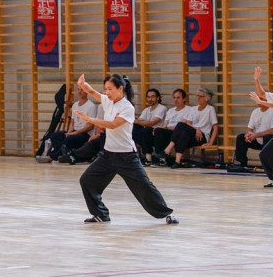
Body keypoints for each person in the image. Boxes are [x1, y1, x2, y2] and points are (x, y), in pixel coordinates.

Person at [75, 73, 178, 225]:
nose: (106, 92)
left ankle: (166, 214)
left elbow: (113, 124)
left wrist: (89, 119)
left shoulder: (127, 107)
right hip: (108, 155)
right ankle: (100, 214)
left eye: (110, 89)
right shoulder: (107, 101)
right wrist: (83, 85)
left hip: (126, 156)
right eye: (105, 89)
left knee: (144, 186)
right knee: (87, 181)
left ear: (120, 88)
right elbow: (91, 92)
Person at [163, 87, 219, 167]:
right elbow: (188, 123)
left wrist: (210, 142)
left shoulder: (210, 109)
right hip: (194, 133)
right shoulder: (193, 109)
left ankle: (168, 149)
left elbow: (215, 126)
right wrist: (196, 129)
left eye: (201, 96)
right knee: (184, 133)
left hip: (202, 136)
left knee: (181, 125)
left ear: (207, 98)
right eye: (198, 96)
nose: (198, 98)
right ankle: (177, 161)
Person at [48, 87, 99, 161]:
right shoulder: (75, 105)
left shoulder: (91, 106)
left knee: (70, 139)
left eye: (82, 90)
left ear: (87, 92)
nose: (80, 92)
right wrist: (69, 132)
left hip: (85, 134)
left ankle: (52, 157)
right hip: (74, 131)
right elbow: (72, 122)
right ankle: (64, 155)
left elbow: (90, 126)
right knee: (54, 136)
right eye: (78, 89)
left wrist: (75, 133)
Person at [152, 88, 194, 165]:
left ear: (184, 99)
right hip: (169, 131)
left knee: (179, 127)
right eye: (174, 98)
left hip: (179, 134)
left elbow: (183, 125)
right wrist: (158, 128)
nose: (175, 100)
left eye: (178, 98)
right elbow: (165, 125)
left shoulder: (189, 110)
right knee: (157, 131)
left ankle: (167, 154)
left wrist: (168, 128)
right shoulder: (170, 111)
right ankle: (161, 159)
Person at [229, 105, 273, 171]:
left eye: (261, 98)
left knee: (268, 137)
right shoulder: (255, 112)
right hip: (257, 140)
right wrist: (248, 134)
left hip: (269, 142)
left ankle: (267, 165)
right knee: (241, 138)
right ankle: (242, 163)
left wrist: (256, 135)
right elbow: (249, 128)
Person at [132, 88, 166, 165]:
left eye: (153, 97)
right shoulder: (146, 110)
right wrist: (137, 121)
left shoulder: (162, 108)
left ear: (157, 98)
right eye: (148, 97)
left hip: (158, 134)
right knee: (134, 127)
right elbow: (139, 121)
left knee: (147, 129)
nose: (150, 99)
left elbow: (152, 123)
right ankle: (147, 159)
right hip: (147, 134)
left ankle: (161, 160)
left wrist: (138, 121)